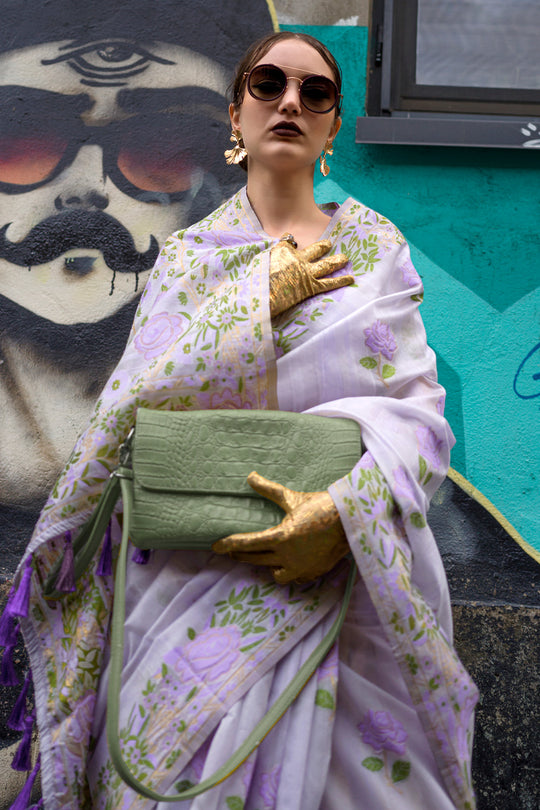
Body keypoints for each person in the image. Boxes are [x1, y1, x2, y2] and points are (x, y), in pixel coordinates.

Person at [3, 31, 478, 810]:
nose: (290, 102)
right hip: (192, 583)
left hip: (344, 581)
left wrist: (341, 514)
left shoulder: (377, 248)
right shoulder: (187, 258)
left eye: (315, 93)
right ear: (236, 116)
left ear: (330, 130)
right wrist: (253, 303)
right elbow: (132, 407)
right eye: (268, 84)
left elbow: (421, 420)